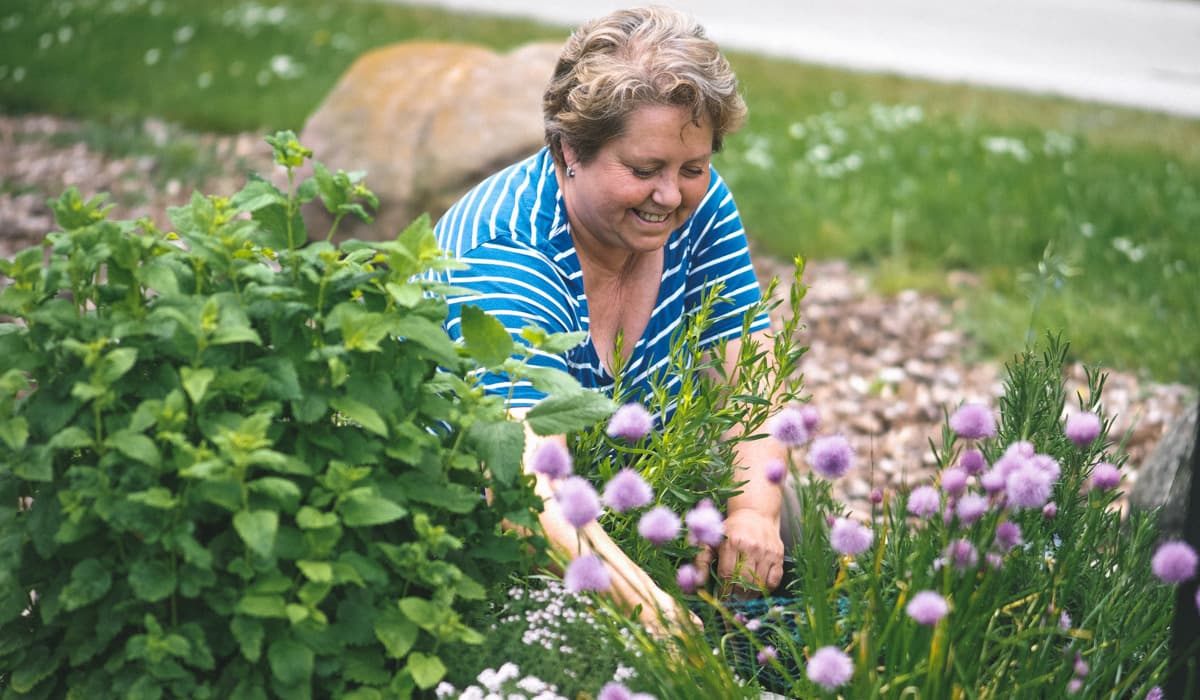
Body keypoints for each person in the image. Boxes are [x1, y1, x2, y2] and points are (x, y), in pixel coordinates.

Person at [432, 6, 786, 630]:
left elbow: (750, 369)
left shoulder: (695, 205)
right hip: (473, 528)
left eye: (692, 168)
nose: (671, 196)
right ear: (571, 149)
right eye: (643, 170)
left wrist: (754, 512)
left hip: (630, 482)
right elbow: (521, 499)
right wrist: (649, 612)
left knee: (791, 516)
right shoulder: (511, 255)